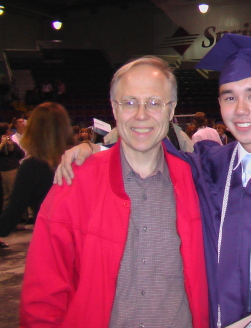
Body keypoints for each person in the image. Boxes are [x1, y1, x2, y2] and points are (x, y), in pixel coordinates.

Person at [55, 35, 251, 328]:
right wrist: (96, 147)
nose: (241, 110)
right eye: (229, 97)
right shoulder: (211, 166)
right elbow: (150, 146)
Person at [20, 56, 209, 327]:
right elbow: (43, 295)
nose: (141, 114)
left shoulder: (197, 183)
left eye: (154, 103)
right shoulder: (74, 184)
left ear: (171, 111)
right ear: (114, 108)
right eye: (129, 102)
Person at [0, 103, 74, 237]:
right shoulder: (80, 160)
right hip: (84, 244)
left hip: (51, 242)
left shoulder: (31, 167)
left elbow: (12, 215)